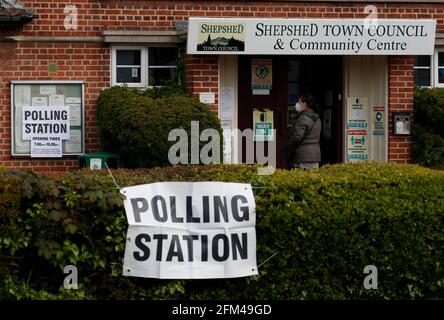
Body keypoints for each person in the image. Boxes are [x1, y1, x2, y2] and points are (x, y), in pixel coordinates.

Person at [283, 94, 321, 169]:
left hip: (302, 157)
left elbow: (296, 137)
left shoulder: (303, 118)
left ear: (304, 104)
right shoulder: (317, 118)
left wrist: (287, 148)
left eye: (298, 102)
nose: (296, 104)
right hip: (315, 156)